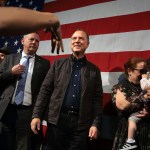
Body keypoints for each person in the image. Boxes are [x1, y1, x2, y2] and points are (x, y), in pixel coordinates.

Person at [31, 29, 103, 150]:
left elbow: (97, 100)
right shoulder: (58, 64)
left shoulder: (94, 70)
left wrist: (95, 124)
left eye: (81, 38)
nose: (77, 41)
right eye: (74, 38)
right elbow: (45, 91)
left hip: (81, 126)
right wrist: (36, 115)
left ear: (87, 44)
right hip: (57, 122)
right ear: (70, 43)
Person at [0, 32, 50, 150]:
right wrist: (10, 72)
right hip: (7, 110)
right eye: (31, 39)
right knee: (4, 144)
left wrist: (38, 115)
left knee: (23, 146)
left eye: (37, 41)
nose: (34, 42)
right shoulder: (9, 58)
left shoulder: (44, 64)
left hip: (28, 113)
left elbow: (45, 91)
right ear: (22, 41)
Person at [111, 57, 150, 150]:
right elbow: (123, 106)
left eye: (146, 71)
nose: (144, 74)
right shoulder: (119, 87)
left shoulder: (147, 86)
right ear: (129, 71)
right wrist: (143, 97)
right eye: (141, 71)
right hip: (126, 134)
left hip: (147, 134)